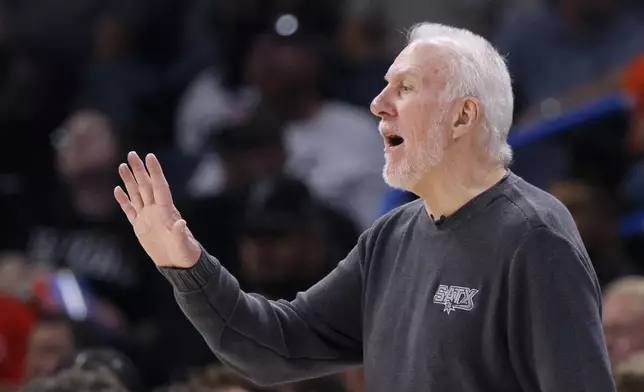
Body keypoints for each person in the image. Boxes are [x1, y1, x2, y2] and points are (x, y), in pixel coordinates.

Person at [114, 23, 615, 391]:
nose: (378, 103)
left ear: (463, 117)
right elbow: (273, 348)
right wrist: (185, 265)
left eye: (406, 88)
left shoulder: (534, 236)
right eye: (383, 85)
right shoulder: (389, 239)